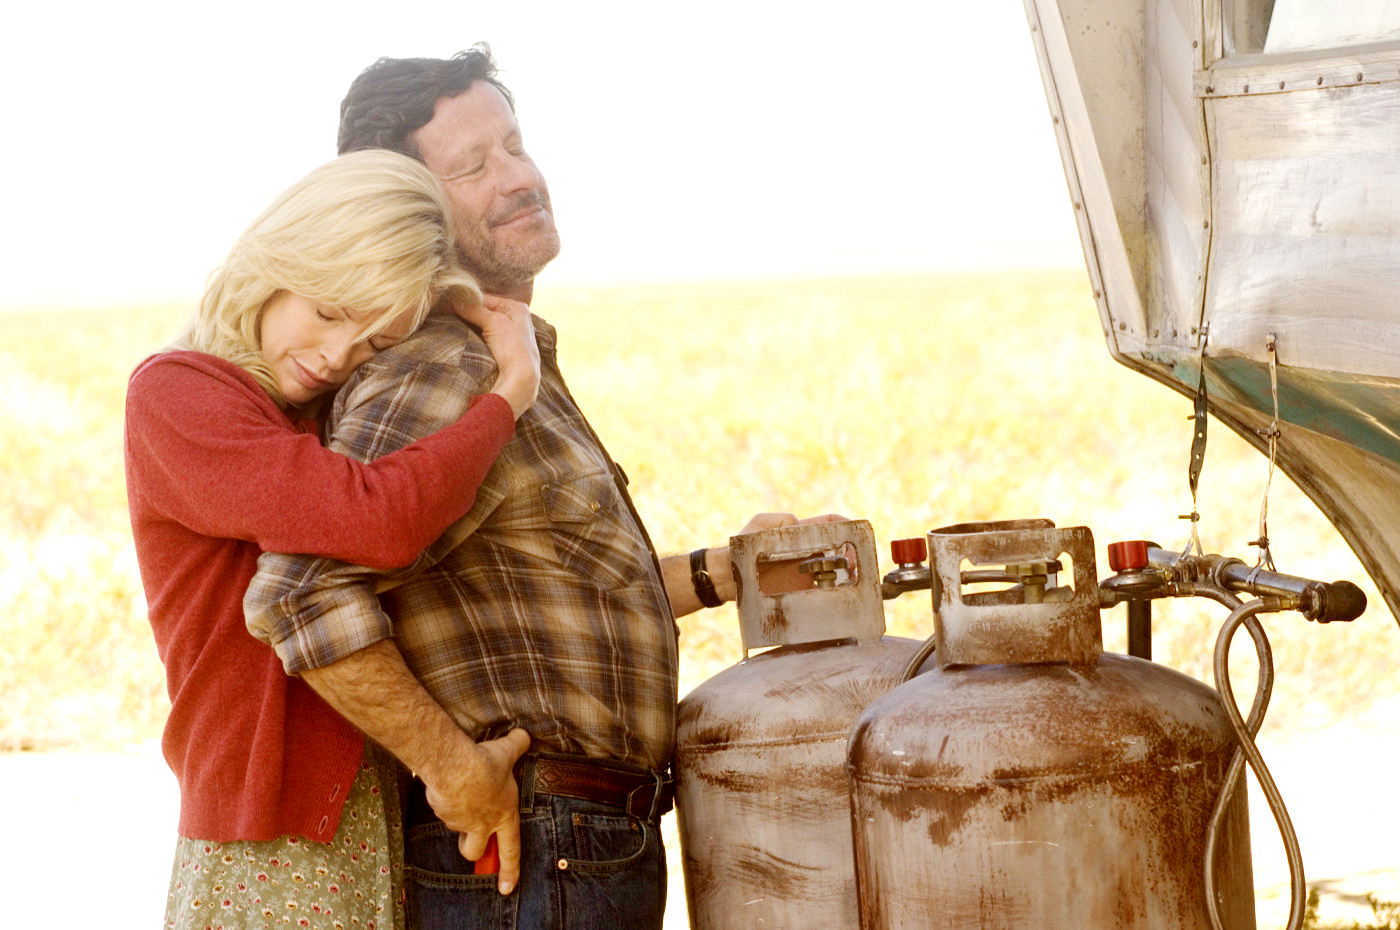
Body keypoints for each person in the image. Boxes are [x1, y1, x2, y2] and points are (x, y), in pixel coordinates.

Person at [244, 46, 837, 930]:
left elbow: (554, 584)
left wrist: (731, 570)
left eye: (515, 145)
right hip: (530, 850)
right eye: (474, 166)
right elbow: (299, 591)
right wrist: (449, 766)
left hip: (578, 846)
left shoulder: (505, 358)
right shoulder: (445, 365)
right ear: (406, 212)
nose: (519, 178)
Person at [125, 148, 542, 930]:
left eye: (373, 343)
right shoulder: (178, 394)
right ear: (276, 264)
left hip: (361, 814)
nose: (334, 355)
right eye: (326, 311)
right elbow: (375, 517)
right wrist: (508, 395)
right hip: (268, 828)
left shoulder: (307, 412)